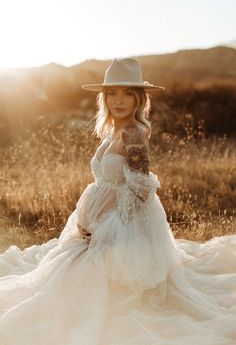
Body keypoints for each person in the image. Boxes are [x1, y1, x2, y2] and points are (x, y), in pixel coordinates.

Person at [0, 58, 235, 345]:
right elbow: (109, 182)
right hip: (102, 223)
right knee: (61, 275)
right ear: (104, 97)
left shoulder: (134, 133)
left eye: (127, 93)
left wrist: (108, 230)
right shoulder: (112, 130)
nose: (119, 100)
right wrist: (92, 221)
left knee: (79, 283)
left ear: (139, 99)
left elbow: (140, 190)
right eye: (112, 93)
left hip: (125, 225)